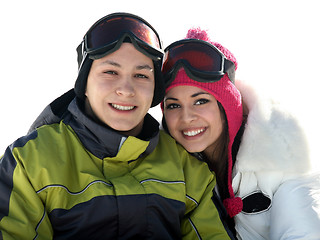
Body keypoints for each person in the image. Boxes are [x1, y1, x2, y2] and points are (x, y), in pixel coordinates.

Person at [0, 13, 233, 239]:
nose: (126, 89)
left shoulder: (186, 168)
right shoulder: (29, 161)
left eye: (141, 76)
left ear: (155, 91)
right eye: (110, 72)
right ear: (85, 85)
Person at [162, 27, 320, 239]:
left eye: (201, 101)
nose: (186, 117)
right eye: (173, 105)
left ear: (227, 108)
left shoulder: (285, 169)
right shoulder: (166, 174)